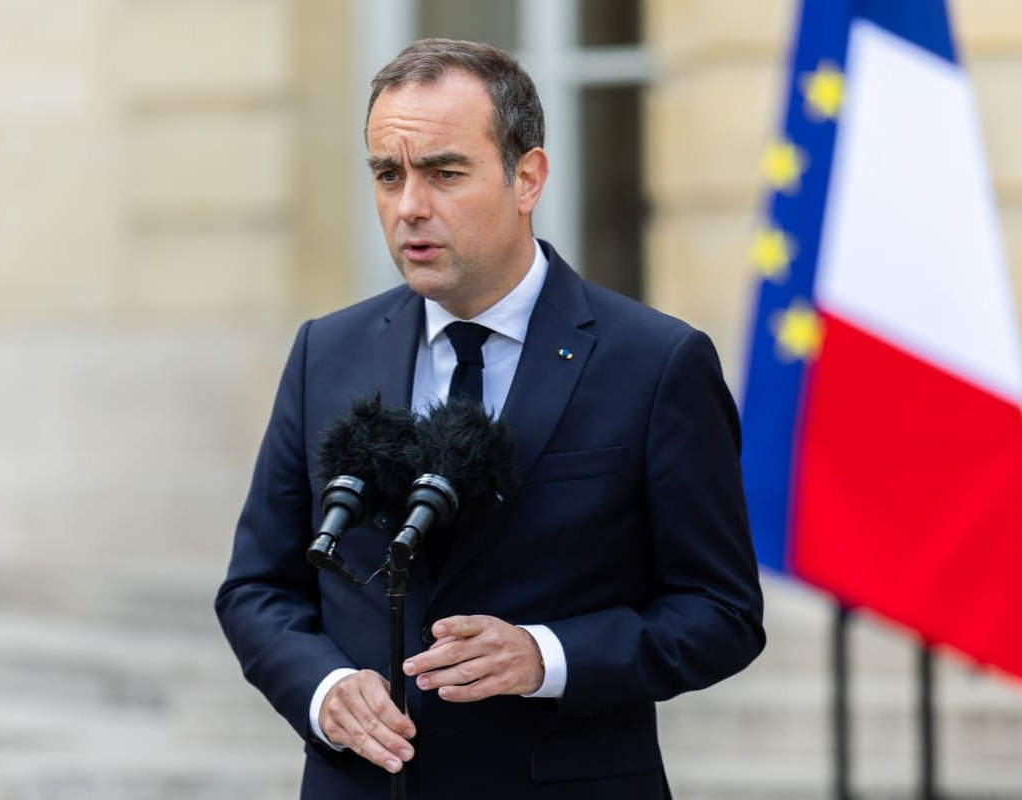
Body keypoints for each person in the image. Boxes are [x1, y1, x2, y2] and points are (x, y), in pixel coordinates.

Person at [216, 38, 764, 799]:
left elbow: (721, 613)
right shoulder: (325, 352)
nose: (410, 206)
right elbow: (257, 589)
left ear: (527, 178)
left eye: (444, 173)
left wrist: (546, 656)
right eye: (388, 174)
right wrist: (323, 690)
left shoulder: (657, 361)